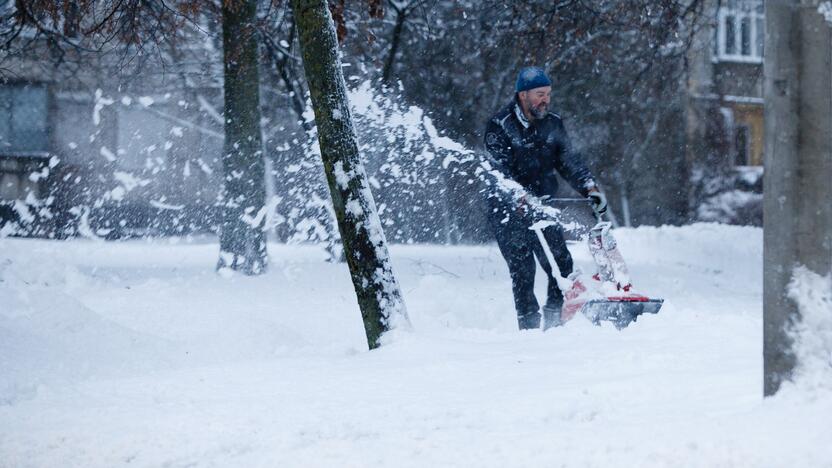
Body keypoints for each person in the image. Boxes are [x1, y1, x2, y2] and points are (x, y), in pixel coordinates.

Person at [483, 66, 607, 330]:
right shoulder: (499, 126)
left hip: (543, 205)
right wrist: (517, 195)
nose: (545, 100)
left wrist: (589, 188)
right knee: (523, 270)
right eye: (540, 94)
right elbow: (499, 171)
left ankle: (555, 321)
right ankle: (528, 329)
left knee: (561, 264)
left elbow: (568, 161)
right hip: (508, 210)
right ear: (523, 95)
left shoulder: (553, 124)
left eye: (548, 94)